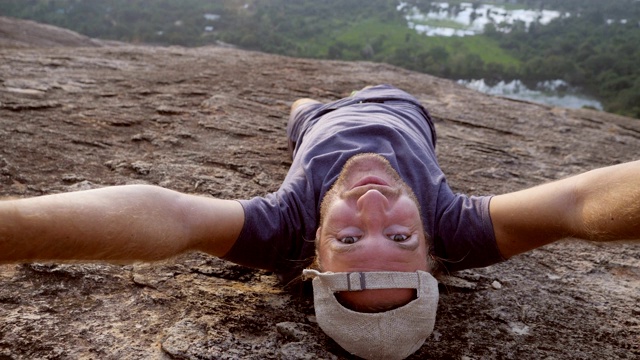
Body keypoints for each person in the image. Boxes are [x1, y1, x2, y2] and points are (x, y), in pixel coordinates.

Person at [0, 85, 638, 360]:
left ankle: (309, 105)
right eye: (400, 238)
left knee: (302, 107)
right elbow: (580, 207)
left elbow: (167, 218)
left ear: (310, 257)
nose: (372, 206)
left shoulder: (279, 231)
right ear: (435, 253)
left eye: (349, 239)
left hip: (312, 126)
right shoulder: (460, 228)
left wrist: (15, 231)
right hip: (399, 102)